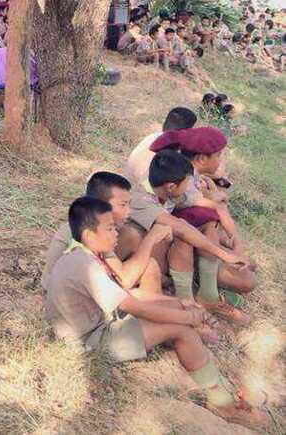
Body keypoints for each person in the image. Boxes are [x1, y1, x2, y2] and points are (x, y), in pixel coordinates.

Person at [44, 197, 267, 429]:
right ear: (90, 236)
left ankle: (220, 388)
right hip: (89, 340)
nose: (117, 231)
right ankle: (223, 404)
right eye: (110, 228)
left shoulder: (86, 254)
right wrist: (186, 318)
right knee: (182, 330)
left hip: (99, 323)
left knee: (177, 309)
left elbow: (129, 295)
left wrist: (179, 303)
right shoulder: (86, 266)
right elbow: (134, 306)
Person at [144, 151, 251, 325]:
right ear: (171, 186)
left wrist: (216, 199)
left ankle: (207, 295)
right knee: (184, 236)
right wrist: (225, 255)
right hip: (150, 260)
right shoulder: (144, 199)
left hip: (169, 252)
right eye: (186, 184)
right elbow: (181, 228)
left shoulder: (169, 191)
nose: (188, 188)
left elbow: (211, 206)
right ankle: (186, 302)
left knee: (208, 224)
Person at [41, 173, 173, 299]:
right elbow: (125, 280)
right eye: (123, 205)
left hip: (86, 290)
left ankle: (162, 301)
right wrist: (151, 239)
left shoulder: (97, 225)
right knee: (147, 268)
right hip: (70, 299)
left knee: (147, 264)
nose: (129, 211)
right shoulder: (88, 231)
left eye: (129, 204)